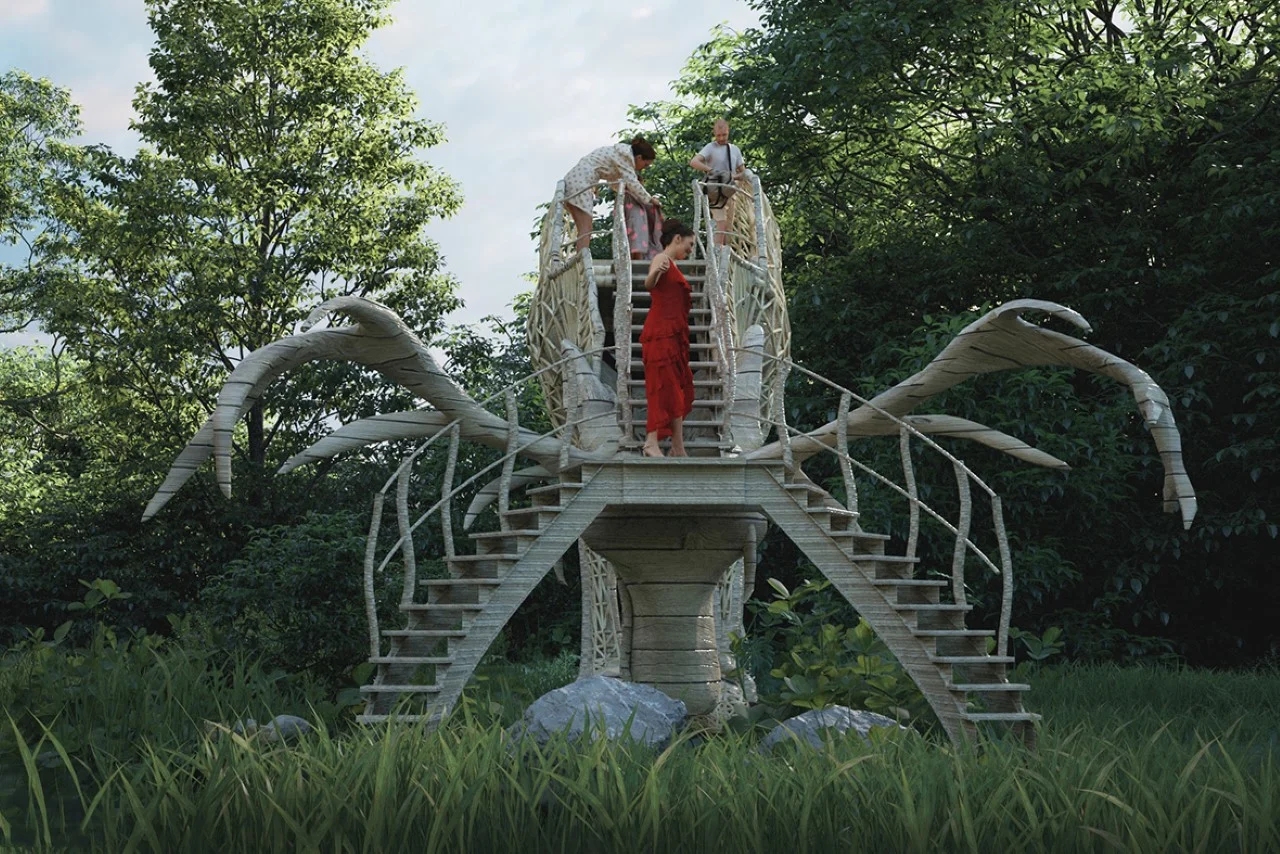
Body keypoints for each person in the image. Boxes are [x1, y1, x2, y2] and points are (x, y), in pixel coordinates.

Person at [639, 220, 696, 458]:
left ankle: (678, 447)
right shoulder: (662, 259)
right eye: (690, 244)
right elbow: (649, 282)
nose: (691, 250)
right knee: (661, 388)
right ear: (677, 239)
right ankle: (651, 442)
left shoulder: (673, 264)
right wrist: (655, 274)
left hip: (674, 336)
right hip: (661, 335)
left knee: (678, 390)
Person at [562, 136, 658, 252]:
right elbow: (633, 182)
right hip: (581, 182)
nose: (644, 168)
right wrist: (650, 199)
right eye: (645, 165)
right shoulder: (625, 158)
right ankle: (582, 260)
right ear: (639, 158)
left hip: (576, 180)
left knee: (583, 228)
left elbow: (614, 182)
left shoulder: (619, 154)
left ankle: (580, 259)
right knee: (586, 228)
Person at [688, 118, 745, 246]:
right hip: (715, 191)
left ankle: (724, 255)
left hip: (731, 191)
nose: (721, 138)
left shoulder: (735, 149)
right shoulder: (710, 147)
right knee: (721, 222)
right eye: (718, 135)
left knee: (729, 226)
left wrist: (734, 177)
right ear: (714, 133)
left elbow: (743, 172)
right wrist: (711, 171)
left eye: (724, 134)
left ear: (728, 132)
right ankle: (716, 253)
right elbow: (694, 162)